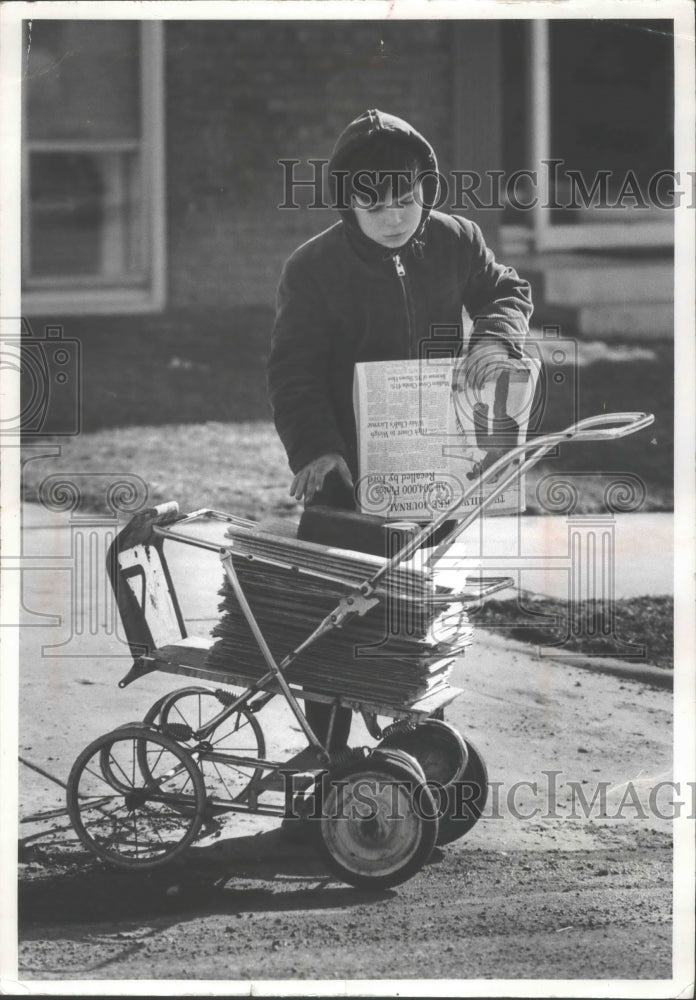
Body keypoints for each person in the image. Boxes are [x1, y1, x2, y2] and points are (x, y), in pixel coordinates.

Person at [268, 109, 533, 755]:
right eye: (376, 203)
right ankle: (322, 748)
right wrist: (319, 448)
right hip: (349, 470)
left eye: (408, 200)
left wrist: (496, 337)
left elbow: (507, 290)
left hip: (432, 463)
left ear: (427, 191)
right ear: (347, 202)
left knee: (414, 604)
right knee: (335, 610)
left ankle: (414, 737)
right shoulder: (314, 269)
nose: (395, 216)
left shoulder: (456, 240)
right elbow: (293, 372)